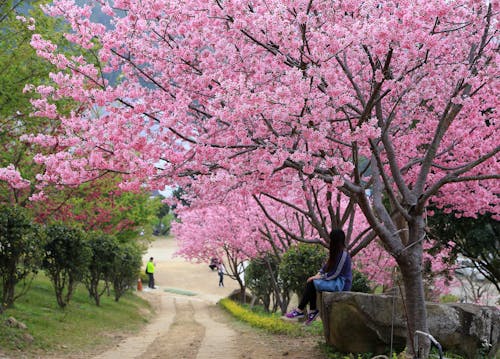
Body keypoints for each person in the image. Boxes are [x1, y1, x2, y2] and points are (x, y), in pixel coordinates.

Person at [285, 229, 352, 325]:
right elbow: (326, 266)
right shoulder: (336, 252)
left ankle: (301, 310)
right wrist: (318, 274)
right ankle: (311, 311)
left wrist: (320, 278)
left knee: (313, 282)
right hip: (335, 281)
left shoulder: (344, 255)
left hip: (341, 284)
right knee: (312, 282)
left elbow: (336, 273)